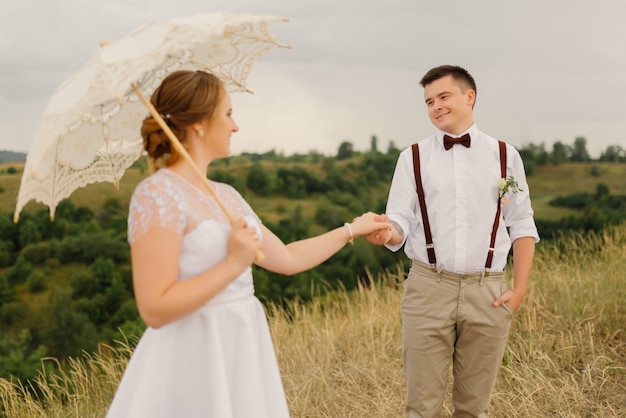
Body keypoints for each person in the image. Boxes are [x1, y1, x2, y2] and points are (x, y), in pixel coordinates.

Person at [106, 70, 389, 417]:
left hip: (241, 344)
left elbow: (287, 257)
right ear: (199, 124)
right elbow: (154, 308)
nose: (235, 126)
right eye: (228, 114)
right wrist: (233, 264)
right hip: (193, 355)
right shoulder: (157, 194)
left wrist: (352, 229)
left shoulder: (227, 195)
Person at [366, 65, 539, 417]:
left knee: (474, 408)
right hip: (428, 288)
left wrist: (519, 289)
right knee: (421, 407)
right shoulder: (412, 157)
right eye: (429, 101)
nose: (435, 107)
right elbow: (400, 220)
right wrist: (388, 232)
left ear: (469, 97)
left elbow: (521, 222)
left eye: (443, 97)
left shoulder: (506, 156)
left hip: (488, 291)